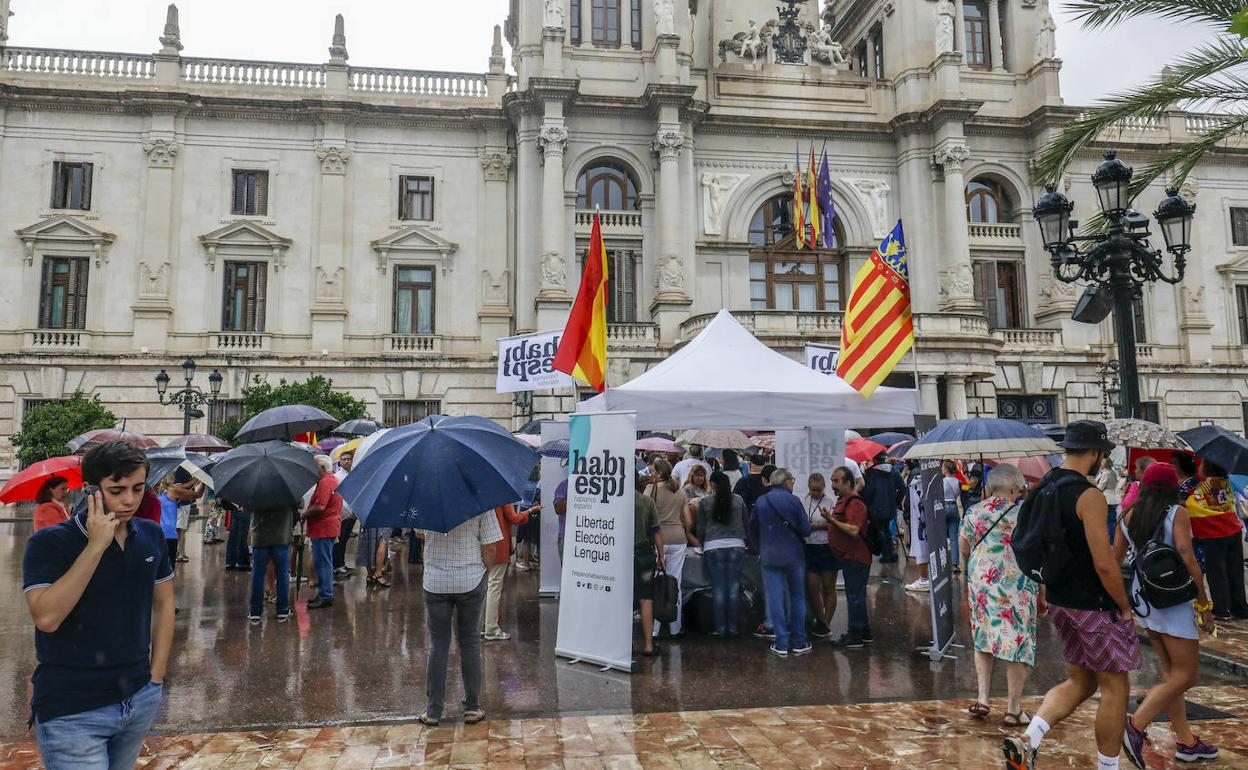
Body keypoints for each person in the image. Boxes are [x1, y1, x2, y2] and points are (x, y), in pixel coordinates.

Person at [22, 441, 173, 770]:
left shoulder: (150, 534)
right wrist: (95, 547)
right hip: (73, 709)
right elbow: (46, 617)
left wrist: (156, 677)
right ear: (91, 490)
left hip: (137, 697)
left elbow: (164, 604)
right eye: (116, 490)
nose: (130, 500)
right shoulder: (49, 543)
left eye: (138, 488)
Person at [1003, 420, 1139, 770]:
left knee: (1081, 680)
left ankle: (1027, 740)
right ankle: (1109, 767)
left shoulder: (1044, 486)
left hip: (1061, 599)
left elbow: (1042, 545)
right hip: (1093, 603)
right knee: (1115, 687)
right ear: (1094, 453)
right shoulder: (1087, 494)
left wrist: (1043, 589)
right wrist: (1123, 606)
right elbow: (1105, 562)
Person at [1116, 462, 1218, 767]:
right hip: (1172, 600)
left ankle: (1186, 742)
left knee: (1172, 675)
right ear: (1173, 487)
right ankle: (1135, 725)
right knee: (1185, 675)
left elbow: (1114, 558)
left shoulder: (1128, 514)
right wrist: (1204, 606)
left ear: (1144, 485)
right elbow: (1189, 560)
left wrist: (1121, 603)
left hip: (1145, 601)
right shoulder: (1177, 513)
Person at [959, 463, 1039, 727]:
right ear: (1015, 488)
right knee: (1017, 641)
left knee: (983, 637)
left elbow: (963, 547)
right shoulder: (1025, 514)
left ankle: (982, 698)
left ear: (990, 487)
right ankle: (1013, 709)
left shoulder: (974, 511)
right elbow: (1037, 550)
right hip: (1016, 583)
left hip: (982, 583)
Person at [415, 511, 502, 727]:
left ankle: (433, 710)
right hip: (470, 581)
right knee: (470, 643)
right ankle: (472, 707)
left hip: (435, 583)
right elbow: (491, 546)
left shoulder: (427, 498)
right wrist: (484, 574)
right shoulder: (482, 503)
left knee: (438, 645)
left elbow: (420, 535)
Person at [750, 468, 812, 656]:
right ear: (785, 482)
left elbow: (752, 529)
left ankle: (782, 643)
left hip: (769, 556)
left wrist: (760, 547)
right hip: (794, 556)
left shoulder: (761, 501)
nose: (793, 483)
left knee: (776, 598)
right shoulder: (794, 501)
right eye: (792, 480)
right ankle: (799, 641)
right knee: (797, 597)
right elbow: (806, 530)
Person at [1186, 459, 1248, 621]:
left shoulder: (1207, 484)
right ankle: (1240, 608)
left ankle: (1222, 609)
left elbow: (1194, 504)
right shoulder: (1226, 482)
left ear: (1207, 467)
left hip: (1214, 533)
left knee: (1217, 573)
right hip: (1233, 529)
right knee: (1235, 571)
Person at [695, 471, 749, 637]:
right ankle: (732, 627)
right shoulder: (738, 500)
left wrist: (702, 544)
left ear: (713, 484)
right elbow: (745, 522)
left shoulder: (705, 502)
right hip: (736, 545)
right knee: (733, 586)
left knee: (718, 588)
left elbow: (700, 528)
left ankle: (720, 627)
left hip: (713, 546)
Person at [644, 460, 693, 638]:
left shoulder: (650, 490)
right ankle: (675, 628)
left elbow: (646, 516)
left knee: (656, 584)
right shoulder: (679, 492)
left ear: (657, 473)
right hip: (678, 538)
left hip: (658, 540)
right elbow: (688, 520)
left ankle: (655, 629)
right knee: (675, 583)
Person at [826, 466, 873, 648]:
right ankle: (864, 631)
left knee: (855, 596)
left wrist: (830, 520)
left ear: (848, 482)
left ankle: (855, 635)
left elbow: (853, 530)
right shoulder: (844, 500)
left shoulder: (854, 503)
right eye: (832, 481)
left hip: (856, 557)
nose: (833, 485)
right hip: (849, 557)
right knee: (856, 595)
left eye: (836, 481)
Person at [482, 503, 529, 640]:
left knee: (484, 586)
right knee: (494, 586)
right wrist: (527, 512)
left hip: (481, 544)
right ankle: (491, 627)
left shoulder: (478, 491)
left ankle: (481, 624)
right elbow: (513, 518)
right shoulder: (502, 494)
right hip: (498, 544)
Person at [303, 455, 343, 610]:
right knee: (322, 561)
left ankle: (326, 595)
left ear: (322, 468)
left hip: (323, 528)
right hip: (326, 527)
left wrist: (305, 515)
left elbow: (320, 506)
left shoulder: (326, 482)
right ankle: (324, 592)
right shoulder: (331, 480)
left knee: (323, 562)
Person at [800, 472, 837, 638]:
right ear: (808, 488)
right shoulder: (804, 502)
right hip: (809, 547)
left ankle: (826, 624)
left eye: (819, 490)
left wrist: (815, 526)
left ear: (824, 488)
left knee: (829, 588)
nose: (816, 493)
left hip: (827, 547)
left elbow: (835, 525)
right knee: (812, 586)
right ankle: (821, 620)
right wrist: (820, 525)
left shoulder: (830, 502)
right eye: (813, 490)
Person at [249, 501, 296, 623]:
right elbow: (300, 504)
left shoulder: (255, 488)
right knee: (282, 573)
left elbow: (245, 508)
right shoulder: (288, 487)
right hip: (281, 536)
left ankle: (255, 612)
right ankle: (282, 610)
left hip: (260, 537)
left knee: (258, 573)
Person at [634, 472, 664, 656]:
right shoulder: (646, 502)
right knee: (646, 599)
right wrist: (661, 555)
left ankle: (622, 645)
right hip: (644, 554)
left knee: (622, 600)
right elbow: (656, 531)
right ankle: (648, 645)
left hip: (622, 555)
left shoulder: (614, 502)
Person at [862, 453, 906, 564]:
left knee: (881, 530)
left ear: (874, 460)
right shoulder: (893, 472)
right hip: (890, 507)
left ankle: (886, 554)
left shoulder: (870, 473)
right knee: (885, 529)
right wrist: (895, 501)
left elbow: (867, 492)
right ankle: (888, 553)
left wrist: (866, 504)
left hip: (875, 508)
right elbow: (902, 488)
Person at [906, 461, 932, 592]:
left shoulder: (916, 477)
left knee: (921, 543)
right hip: (929, 517)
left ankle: (923, 579)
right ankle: (928, 578)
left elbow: (910, 498)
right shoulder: (933, 476)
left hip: (919, 517)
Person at [332, 450, 356, 577]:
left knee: (345, 539)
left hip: (352, 512)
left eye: (349, 459)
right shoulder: (337, 477)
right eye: (344, 459)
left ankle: (342, 563)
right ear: (340, 462)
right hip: (342, 513)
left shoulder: (353, 474)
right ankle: (337, 565)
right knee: (340, 540)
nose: (347, 461)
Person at [942, 461, 965, 573]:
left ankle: (942, 562)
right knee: (954, 538)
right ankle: (955, 564)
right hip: (954, 506)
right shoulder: (959, 482)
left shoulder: (941, 481)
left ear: (946, 469)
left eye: (943, 467)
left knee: (941, 537)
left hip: (943, 506)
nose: (941, 469)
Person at [221, 498, 251, 571]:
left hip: (234, 508)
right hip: (244, 507)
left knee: (233, 535)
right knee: (242, 535)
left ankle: (230, 562)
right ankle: (242, 563)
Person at [1097, 457, 1121, 537]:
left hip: (1107, 499)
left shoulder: (1106, 473)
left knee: (1109, 521)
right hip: (1112, 498)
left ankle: (1110, 539)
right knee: (1111, 521)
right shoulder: (1112, 472)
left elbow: (1100, 487)